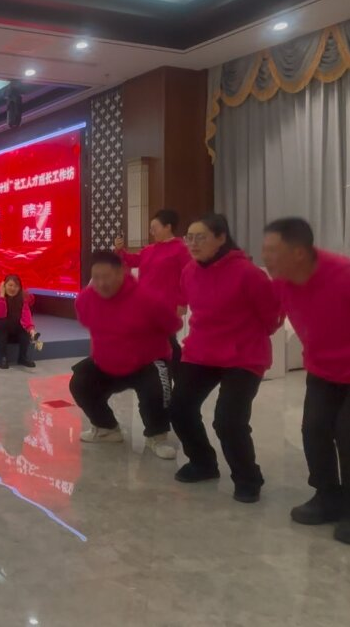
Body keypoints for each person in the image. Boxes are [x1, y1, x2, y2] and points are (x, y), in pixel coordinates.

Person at [170, 214, 282, 503]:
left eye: (201, 237)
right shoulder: (189, 271)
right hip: (202, 351)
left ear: (221, 238)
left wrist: (243, 334)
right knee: (180, 407)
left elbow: (272, 317)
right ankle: (203, 462)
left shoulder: (248, 274)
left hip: (243, 354)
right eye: (189, 238)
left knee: (228, 420)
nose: (193, 244)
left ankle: (247, 478)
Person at [263, 217, 350, 544]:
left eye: (272, 250)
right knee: (313, 429)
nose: (266, 257)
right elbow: (267, 316)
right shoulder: (282, 283)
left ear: (298, 252)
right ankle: (328, 496)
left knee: (347, 433)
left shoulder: (343, 276)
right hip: (323, 370)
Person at [70, 251, 182, 459]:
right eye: (96, 277)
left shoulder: (148, 298)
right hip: (108, 362)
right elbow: (91, 325)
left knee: (157, 388)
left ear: (121, 272)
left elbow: (173, 325)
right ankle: (106, 429)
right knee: (80, 381)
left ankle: (157, 436)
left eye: (107, 276)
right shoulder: (85, 300)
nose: (101, 283)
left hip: (147, 361)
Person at [115, 209, 192, 366]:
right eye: (151, 228)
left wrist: (182, 302)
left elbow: (188, 277)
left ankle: (171, 369)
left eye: (154, 228)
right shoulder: (149, 250)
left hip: (167, 304)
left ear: (168, 227)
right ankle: (159, 369)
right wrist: (120, 250)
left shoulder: (181, 249)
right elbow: (132, 260)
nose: (152, 232)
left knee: (164, 339)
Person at [0, 274, 38, 369]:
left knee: (24, 329)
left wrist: (31, 330)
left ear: (19, 288)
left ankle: (23, 358)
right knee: (2, 322)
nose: (12, 288)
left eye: (16, 286)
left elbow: (27, 318)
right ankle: (3, 358)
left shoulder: (23, 300)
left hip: (13, 334)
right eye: (10, 285)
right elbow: (0, 315)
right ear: (4, 286)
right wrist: (2, 295)